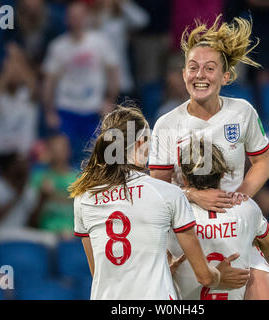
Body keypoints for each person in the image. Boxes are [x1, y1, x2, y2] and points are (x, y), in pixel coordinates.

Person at [149, 15, 269, 299]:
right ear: (184, 74)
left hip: (235, 227)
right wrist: (192, 195)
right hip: (187, 233)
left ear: (226, 76)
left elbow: (263, 162)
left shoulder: (242, 112)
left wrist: (240, 198)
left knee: (263, 290)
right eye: (193, 68)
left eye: (209, 68)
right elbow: (156, 189)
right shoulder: (167, 124)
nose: (200, 75)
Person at [69, 105, 245, 300]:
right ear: (140, 143)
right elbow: (204, 276)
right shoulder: (168, 193)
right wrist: (220, 276)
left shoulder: (83, 197)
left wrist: (162, 272)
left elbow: (102, 274)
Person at [168, 138, 269, 300]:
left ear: (184, 179)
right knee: (255, 255)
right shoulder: (245, 206)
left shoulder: (171, 213)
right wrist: (242, 243)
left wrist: (186, 194)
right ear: (222, 174)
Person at [42, 0, 120, 166]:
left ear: (86, 17)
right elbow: (49, 81)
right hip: (66, 109)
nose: (76, 20)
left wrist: (109, 101)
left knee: (98, 160)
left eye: (79, 16)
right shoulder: (58, 46)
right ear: (67, 19)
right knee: (62, 158)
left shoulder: (100, 42)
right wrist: (49, 111)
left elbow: (113, 73)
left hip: (93, 109)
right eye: (72, 17)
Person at [0, 43, 39, 162]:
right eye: (10, 69)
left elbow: (34, 89)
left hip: (24, 156)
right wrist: (8, 70)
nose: (14, 72)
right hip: (0, 156)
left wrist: (18, 59)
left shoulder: (28, 95)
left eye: (17, 69)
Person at [29, 134, 77, 236]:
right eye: (55, 149)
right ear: (48, 151)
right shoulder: (38, 178)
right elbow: (29, 219)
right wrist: (42, 198)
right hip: (44, 235)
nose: (59, 152)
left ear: (69, 151)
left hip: (74, 236)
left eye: (62, 148)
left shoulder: (79, 180)